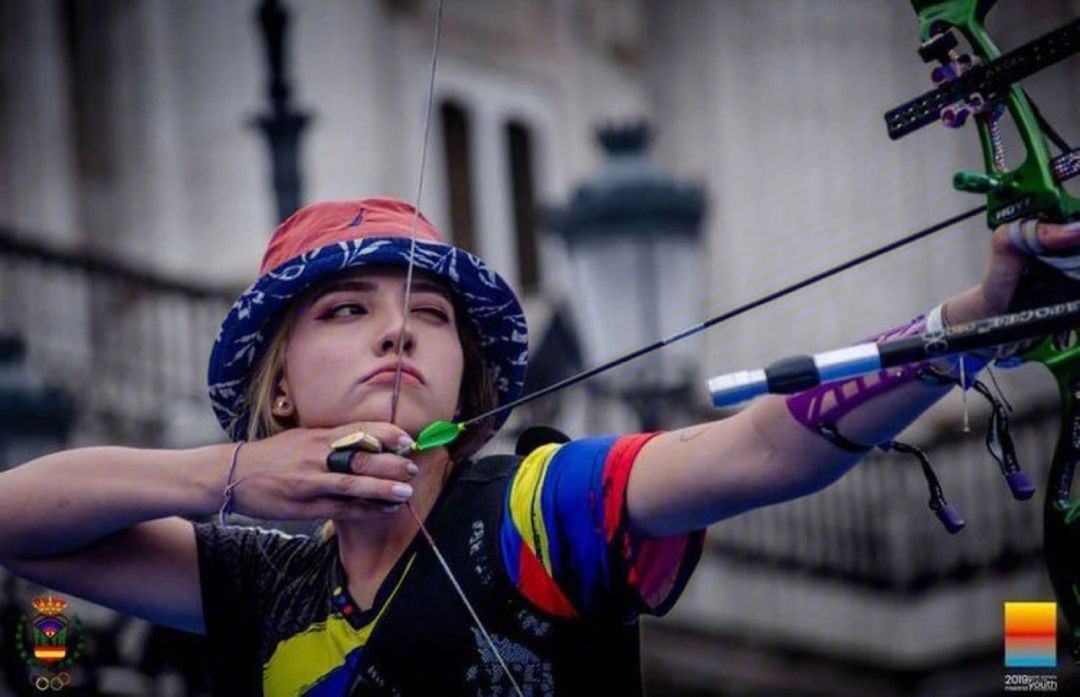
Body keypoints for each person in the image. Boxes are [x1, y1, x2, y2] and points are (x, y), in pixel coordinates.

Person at [0, 197, 1077, 696]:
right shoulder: (261, 581)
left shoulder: (530, 507)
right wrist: (234, 478)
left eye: (428, 316)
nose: (395, 328)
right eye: (344, 310)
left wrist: (960, 328)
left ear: (467, 374)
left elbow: (759, 453)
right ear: (277, 387)